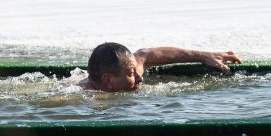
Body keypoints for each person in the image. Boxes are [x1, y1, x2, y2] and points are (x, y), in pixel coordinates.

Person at [81, 42, 242, 92]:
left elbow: (147, 54)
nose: (139, 77)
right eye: (131, 73)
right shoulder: (88, 95)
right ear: (107, 81)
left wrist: (204, 56)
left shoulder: (129, 68)